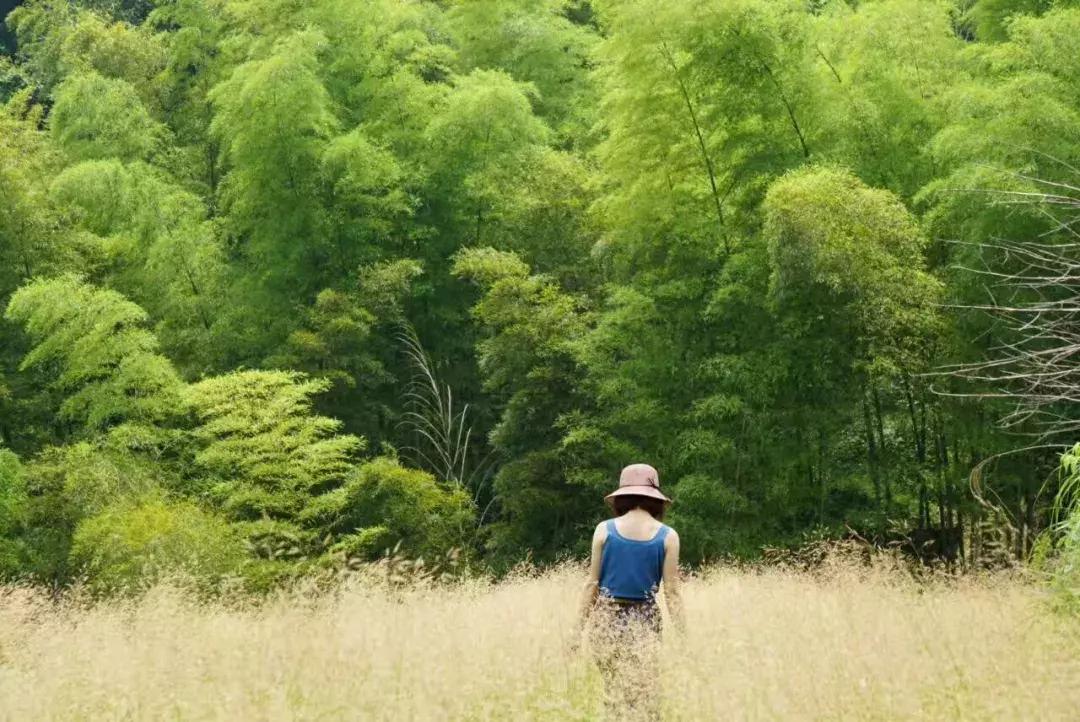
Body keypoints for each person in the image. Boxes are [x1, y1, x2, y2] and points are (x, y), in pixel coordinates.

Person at [576, 463, 684, 720]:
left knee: (613, 690)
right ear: (656, 499)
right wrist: (683, 635)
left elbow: (592, 585)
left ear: (621, 497)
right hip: (645, 619)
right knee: (645, 692)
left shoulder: (604, 530)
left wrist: (576, 631)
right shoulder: (668, 536)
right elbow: (672, 592)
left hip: (606, 617)